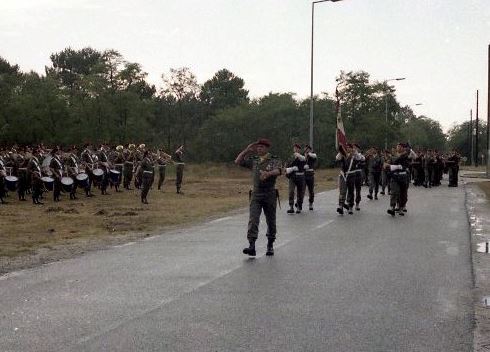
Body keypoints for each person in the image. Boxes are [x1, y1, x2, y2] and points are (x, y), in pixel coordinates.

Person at [235, 138, 281, 256]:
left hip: (269, 193)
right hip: (256, 194)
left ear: (266, 148)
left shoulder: (273, 159)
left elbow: (279, 170)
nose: (258, 149)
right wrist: (246, 150)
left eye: (261, 147)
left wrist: (268, 173)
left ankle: (270, 244)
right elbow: (238, 161)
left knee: (271, 220)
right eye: (257, 147)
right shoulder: (254, 160)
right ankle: (252, 245)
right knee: (253, 219)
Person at [385, 143, 417, 216]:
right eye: (397, 147)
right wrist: (386, 164)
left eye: (399, 147)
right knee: (394, 192)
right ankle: (392, 207)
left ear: (403, 148)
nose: (398, 148)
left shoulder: (406, 156)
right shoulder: (393, 156)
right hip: (395, 176)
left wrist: (410, 149)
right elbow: (387, 163)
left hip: (403, 177)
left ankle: (401, 208)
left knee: (403, 193)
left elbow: (415, 157)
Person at [336, 143, 364, 215]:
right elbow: (337, 158)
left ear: (352, 148)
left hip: (351, 175)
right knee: (342, 191)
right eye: (347, 147)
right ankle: (341, 206)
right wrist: (341, 150)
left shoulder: (355, 156)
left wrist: (355, 152)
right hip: (343, 175)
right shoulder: (343, 155)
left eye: (349, 147)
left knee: (351, 191)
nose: (348, 148)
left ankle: (350, 206)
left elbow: (360, 158)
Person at [285, 143, 306, 214]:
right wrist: (292, 168)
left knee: (300, 193)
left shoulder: (302, 157)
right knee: (291, 191)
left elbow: (303, 159)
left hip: (300, 177)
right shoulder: (290, 158)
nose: (296, 149)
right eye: (295, 148)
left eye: (297, 148)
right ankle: (291, 206)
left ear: (299, 150)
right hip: (292, 177)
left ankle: (299, 207)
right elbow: (286, 167)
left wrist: (298, 155)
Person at [303, 144, 317, 211]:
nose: (306, 150)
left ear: (310, 149)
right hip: (304, 174)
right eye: (305, 149)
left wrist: (308, 153)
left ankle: (311, 203)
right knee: (301, 189)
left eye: (307, 149)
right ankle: (299, 203)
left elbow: (314, 156)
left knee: (311, 190)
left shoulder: (312, 155)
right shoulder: (302, 156)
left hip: (310, 174)